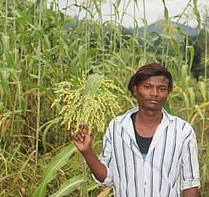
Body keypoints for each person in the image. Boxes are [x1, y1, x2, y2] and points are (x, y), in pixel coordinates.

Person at [72, 63, 200, 196]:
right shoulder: (117, 127)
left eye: (161, 89)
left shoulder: (183, 131)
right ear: (135, 89)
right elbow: (106, 179)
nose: (154, 93)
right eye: (147, 87)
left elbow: (190, 183)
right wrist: (87, 152)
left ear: (168, 92)